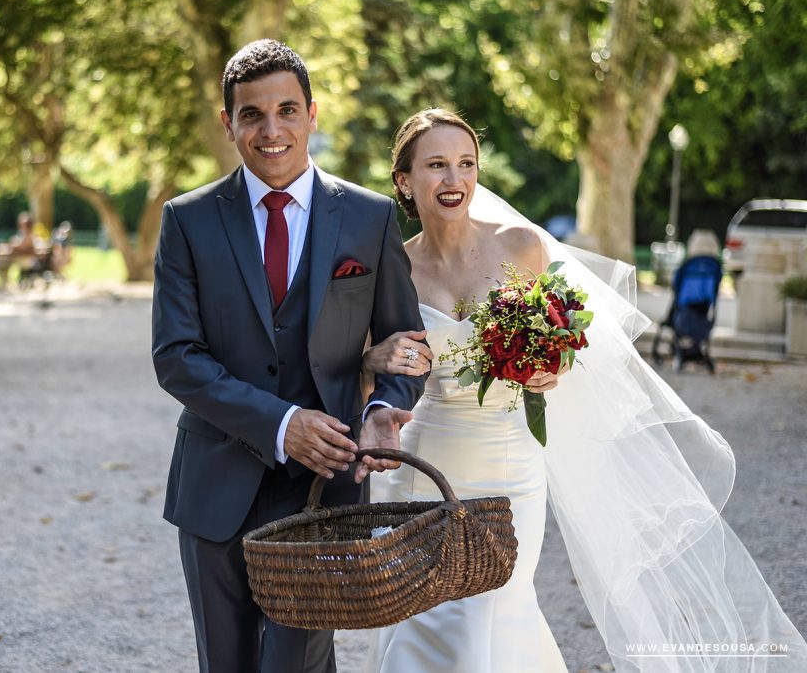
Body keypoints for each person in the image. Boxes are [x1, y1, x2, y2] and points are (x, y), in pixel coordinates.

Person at [361, 108, 807, 672]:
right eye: (436, 166)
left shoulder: (521, 246)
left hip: (508, 468)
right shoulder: (391, 268)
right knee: (424, 616)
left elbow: (567, 339)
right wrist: (372, 358)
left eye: (466, 164)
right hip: (422, 469)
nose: (455, 180)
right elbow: (367, 364)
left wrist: (553, 367)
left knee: (498, 608)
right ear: (404, 180)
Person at [150, 40, 428, 673]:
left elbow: (406, 343)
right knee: (226, 663)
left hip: (325, 488)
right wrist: (282, 425)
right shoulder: (187, 221)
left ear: (312, 114)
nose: (271, 130)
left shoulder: (369, 216)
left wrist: (384, 407)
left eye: (287, 110)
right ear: (228, 123)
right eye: (252, 114)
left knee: (297, 665)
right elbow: (176, 356)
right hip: (215, 482)